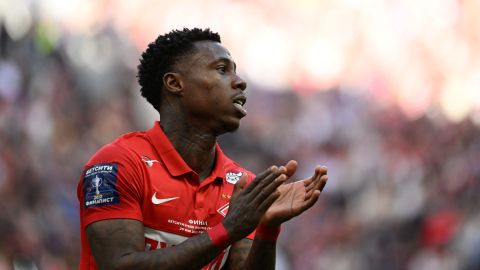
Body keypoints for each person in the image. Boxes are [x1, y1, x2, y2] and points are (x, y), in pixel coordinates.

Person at [77, 27, 328, 270]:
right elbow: (120, 266)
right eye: (221, 70)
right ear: (175, 84)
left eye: (236, 72)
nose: (240, 82)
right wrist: (228, 229)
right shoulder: (119, 164)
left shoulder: (240, 185)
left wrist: (267, 229)